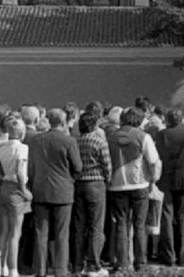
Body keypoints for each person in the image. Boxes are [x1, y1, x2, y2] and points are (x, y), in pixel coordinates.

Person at [27, 108, 81, 277]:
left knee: (40, 233)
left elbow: (30, 166)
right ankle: (60, 270)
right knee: (61, 235)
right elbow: (78, 167)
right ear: (64, 122)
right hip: (63, 191)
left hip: (40, 190)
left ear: (49, 121)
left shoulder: (36, 141)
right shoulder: (69, 141)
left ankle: (40, 270)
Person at [106, 107, 161, 272]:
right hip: (140, 184)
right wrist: (153, 178)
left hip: (116, 185)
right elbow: (153, 160)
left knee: (121, 224)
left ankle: (122, 263)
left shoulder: (110, 137)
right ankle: (140, 263)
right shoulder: (143, 136)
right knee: (139, 225)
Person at [0, 118, 30, 277]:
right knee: (15, 233)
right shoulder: (23, 148)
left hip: (4, 187)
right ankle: (13, 270)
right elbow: (20, 172)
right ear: (21, 133)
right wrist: (24, 190)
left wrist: (2, 176)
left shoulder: (3, 148)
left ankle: (1, 267)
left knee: (4, 231)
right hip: (16, 189)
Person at [72, 111, 110, 277]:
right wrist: (107, 180)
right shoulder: (99, 141)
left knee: (79, 226)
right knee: (96, 226)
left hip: (79, 183)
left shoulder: (75, 142)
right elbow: (107, 165)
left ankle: (77, 263)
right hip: (96, 183)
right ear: (94, 126)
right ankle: (93, 264)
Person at [154, 108, 184, 266]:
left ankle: (169, 255)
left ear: (168, 120)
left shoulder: (162, 134)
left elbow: (159, 155)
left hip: (166, 179)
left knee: (167, 217)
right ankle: (182, 255)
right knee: (182, 218)